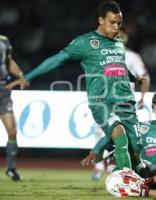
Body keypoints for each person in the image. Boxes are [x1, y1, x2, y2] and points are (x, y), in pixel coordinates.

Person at [6, 1, 141, 171]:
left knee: (136, 150)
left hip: (125, 101)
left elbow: (120, 66)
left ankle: (126, 176)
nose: (116, 27)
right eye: (112, 22)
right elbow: (56, 59)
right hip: (102, 101)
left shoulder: (119, 42)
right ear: (101, 20)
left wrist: (134, 78)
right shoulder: (84, 42)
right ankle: (126, 180)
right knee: (119, 134)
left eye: (119, 23)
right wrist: (27, 76)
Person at [91, 29, 150, 180]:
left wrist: (143, 96)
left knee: (128, 137)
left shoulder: (132, 57)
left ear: (126, 39)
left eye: (122, 36)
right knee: (101, 131)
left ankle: (125, 168)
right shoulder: (103, 54)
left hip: (125, 103)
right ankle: (99, 167)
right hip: (105, 101)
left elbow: (143, 76)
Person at [0, 34, 24, 181]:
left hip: (3, 91)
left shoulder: (4, 40)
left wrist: (21, 75)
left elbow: (8, 62)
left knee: (12, 131)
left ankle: (10, 168)